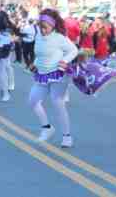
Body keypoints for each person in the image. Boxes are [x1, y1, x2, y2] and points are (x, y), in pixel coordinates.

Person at [28, 8, 78, 147]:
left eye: (45, 27)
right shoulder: (38, 36)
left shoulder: (59, 38)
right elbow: (40, 54)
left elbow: (73, 50)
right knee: (33, 101)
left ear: (53, 25)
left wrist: (65, 61)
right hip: (42, 74)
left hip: (57, 74)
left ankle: (67, 136)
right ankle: (47, 128)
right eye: (41, 27)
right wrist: (35, 63)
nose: (43, 30)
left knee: (58, 103)